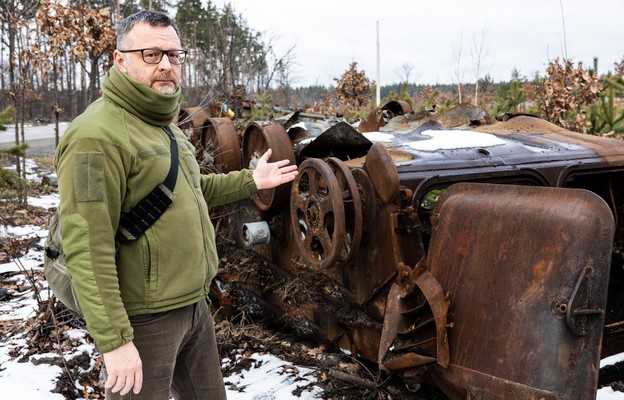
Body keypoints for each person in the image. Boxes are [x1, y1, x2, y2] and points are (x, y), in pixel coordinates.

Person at [54, 10, 298, 399]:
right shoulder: (95, 135)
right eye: (151, 54)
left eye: (174, 55)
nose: (166, 65)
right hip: (144, 321)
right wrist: (115, 341)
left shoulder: (160, 122)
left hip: (193, 307)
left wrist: (251, 180)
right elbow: (87, 246)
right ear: (121, 59)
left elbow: (190, 189)